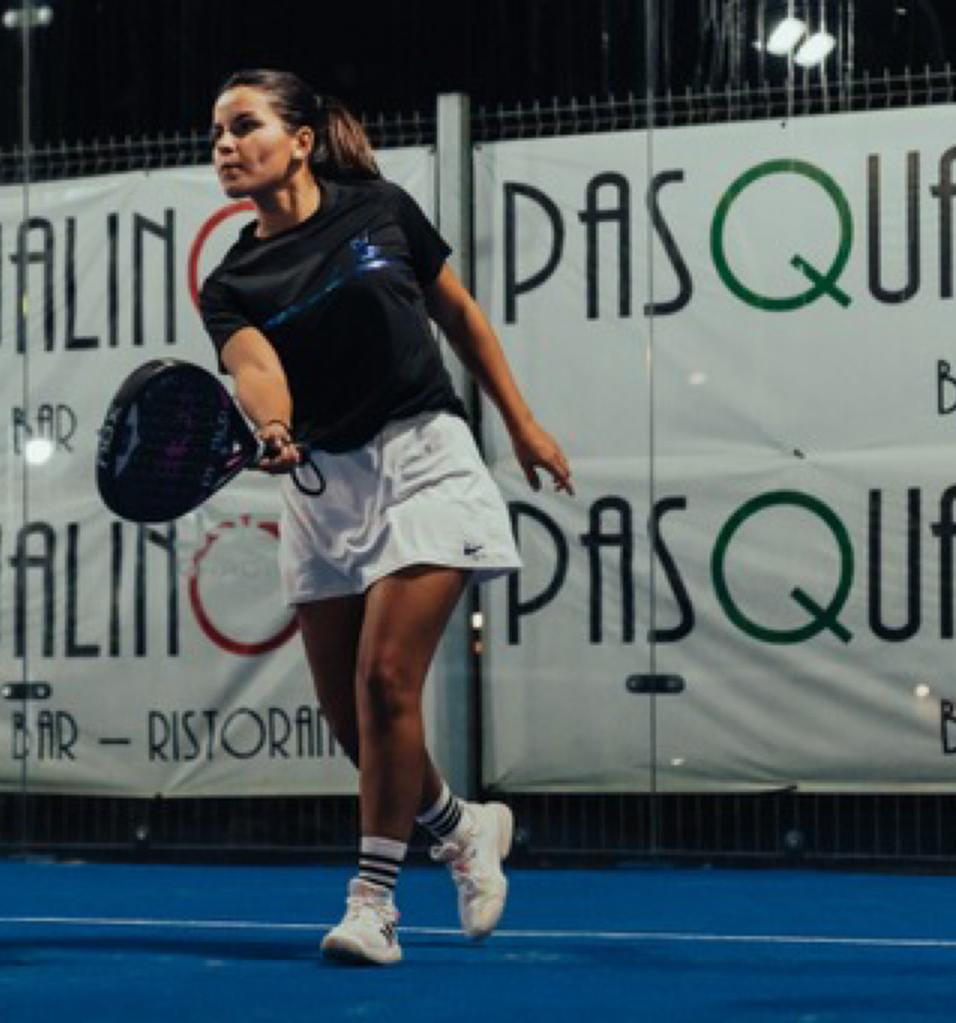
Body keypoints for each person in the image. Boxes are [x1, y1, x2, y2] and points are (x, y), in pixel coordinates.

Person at [198, 69, 573, 966]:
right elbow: (255, 368)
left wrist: (521, 423)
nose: (224, 145)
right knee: (354, 722)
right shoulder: (229, 282)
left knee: (385, 679)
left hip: (423, 458)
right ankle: (463, 827)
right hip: (319, 485)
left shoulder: (380, 210)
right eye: (214, 133)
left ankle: (373, 905)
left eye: (243, 126)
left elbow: (459, 313)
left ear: (301, 139)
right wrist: (273, 426)